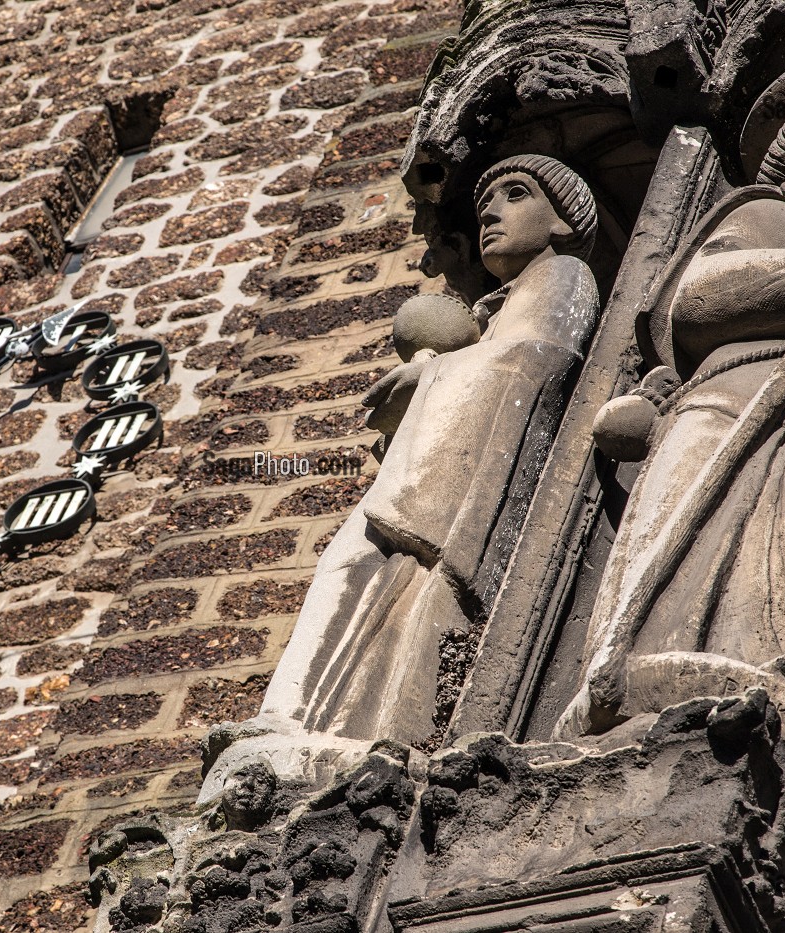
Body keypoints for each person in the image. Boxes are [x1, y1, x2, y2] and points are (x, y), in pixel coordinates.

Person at [557, 53, 785, 758]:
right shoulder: (764, 211)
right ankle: (637, 681)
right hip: (729, 398)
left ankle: (773, 700)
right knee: (691, 542)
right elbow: (695, 302)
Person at [249, 154, 602, 749]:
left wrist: (436, 375)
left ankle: (349, 731)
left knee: (378, 578)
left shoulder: (565, 275)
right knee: (350, 570)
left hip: (450, 492)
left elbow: (540, 362)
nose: (489, 209)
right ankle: (303, 720)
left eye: (515, 194)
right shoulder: (505, 300)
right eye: (486, 199)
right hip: (434, 471)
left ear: (564, 220)